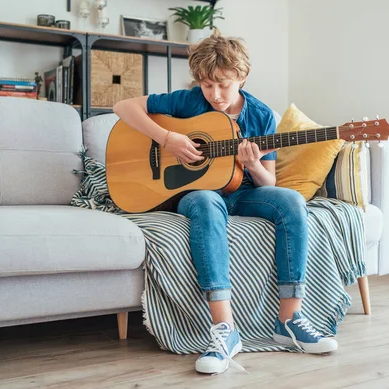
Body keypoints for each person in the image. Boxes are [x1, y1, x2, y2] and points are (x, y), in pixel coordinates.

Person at [113, 29, 337, 375]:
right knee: (203, 199)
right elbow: (122, 106)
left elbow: (269, 181)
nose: (215, 95)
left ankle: (290, 320)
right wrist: (168, 138)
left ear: (242, 78)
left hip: (245, 192)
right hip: (199, 195)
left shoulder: (261, 116)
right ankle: (225, 330)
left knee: (290, 200)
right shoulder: (188, 102)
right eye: (206, 85)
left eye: (223, 84)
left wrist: (251, 164)